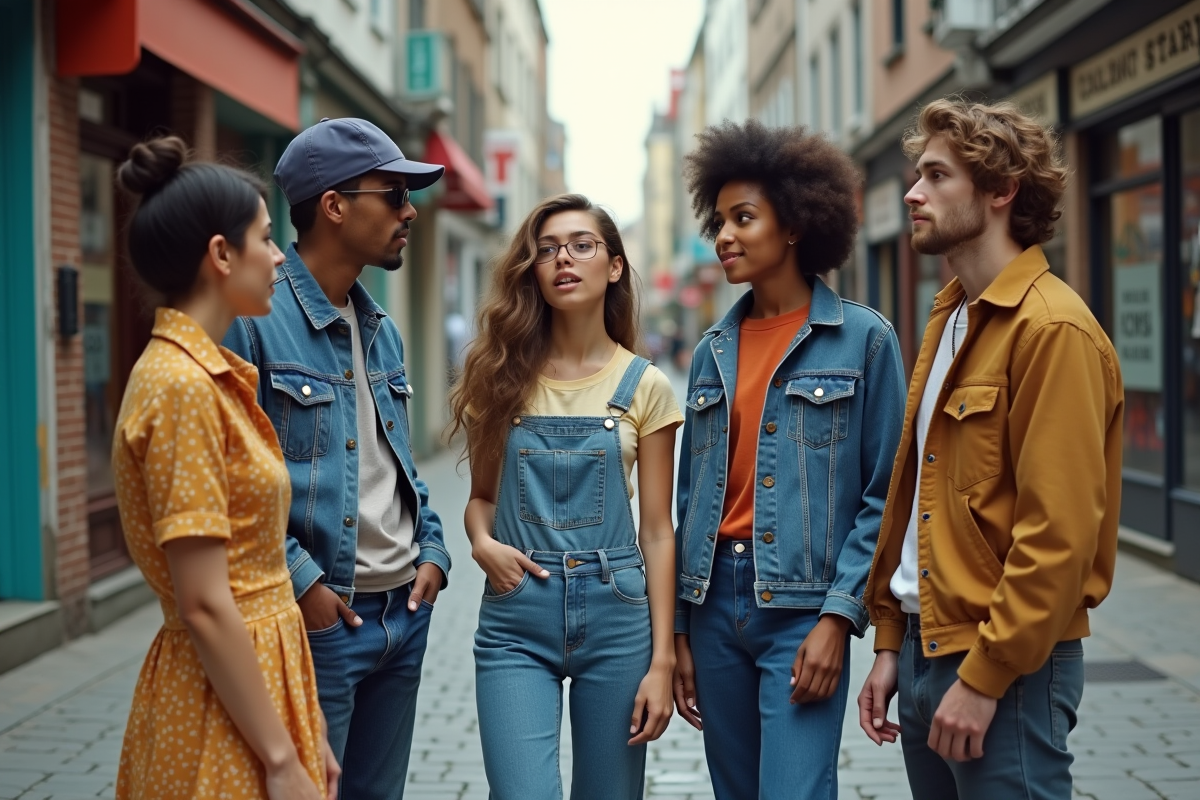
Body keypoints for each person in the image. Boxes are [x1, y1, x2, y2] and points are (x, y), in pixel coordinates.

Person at [856, 99, 1124, 800]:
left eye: (937, 176)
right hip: (926, 647)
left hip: (1002, 668)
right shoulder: (951, 315)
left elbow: (1058, 535)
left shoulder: (1052, 329)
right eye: (918, 174)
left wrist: (986, 676)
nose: (913, 192)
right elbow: (917, 496)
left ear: (1001, 191)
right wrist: (891, 641)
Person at [673, 120, 907, 800]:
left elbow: (884, 493)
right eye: (718, 221)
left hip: (802, 608)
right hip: (715, 604)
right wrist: (683, 630)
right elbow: (691, 498)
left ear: (797, 223)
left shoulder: (864, 340)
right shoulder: (711, 349)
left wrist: (839, 619)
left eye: (744, 218)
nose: (724, 236)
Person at [222, 118, 450, 799]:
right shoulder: (253, 320)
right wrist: (304, 585)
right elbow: (233, 475)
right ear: (334, 205)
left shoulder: (381, 330)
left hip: (404, 615)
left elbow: (398, 466)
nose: (410, 211)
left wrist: (432, 551)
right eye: (393, 194)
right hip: (324, 620)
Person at [111, 136, 337, 800]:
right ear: (220, 254)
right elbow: (206, 601)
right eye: (265, 240)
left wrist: (304, 736)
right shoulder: (180, 386)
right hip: (219, 705)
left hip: (252, 684)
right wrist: (280, 760)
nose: (276, 258)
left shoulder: (206, 377)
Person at [448, 194, 683, 800]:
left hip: (619, 615)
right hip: (516, 616)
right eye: (547, 249)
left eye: (582, 245)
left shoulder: (646, 386)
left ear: (614, 266)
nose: (563, 259)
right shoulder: (499, 376)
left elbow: (658, 530)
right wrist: (480, 543)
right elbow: (480, 498)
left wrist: (662, 661)